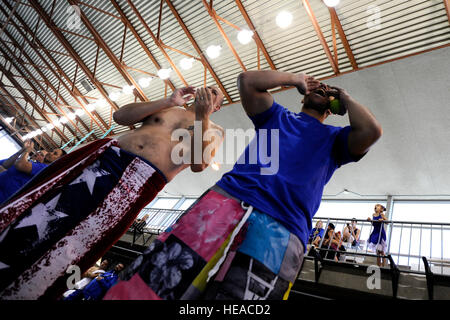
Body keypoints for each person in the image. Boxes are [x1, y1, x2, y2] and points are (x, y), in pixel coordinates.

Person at [104, 69, 382, 300]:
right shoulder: (277, 116)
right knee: (157, 279)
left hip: (283, 228)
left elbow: (371, 130)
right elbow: (247, 81)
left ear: (334, 108)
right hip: (227, 200)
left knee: (242, 298)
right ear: (303, 96)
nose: (322, 88)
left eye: (327, 91)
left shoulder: (336, 139)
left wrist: (344, 96)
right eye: (316, 87)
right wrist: (296, 79)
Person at [0, 86, 225, 300]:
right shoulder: (170, 107)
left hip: (139, 178)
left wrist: (202, 117)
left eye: (215, 93)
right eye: (208, 88)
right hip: (106, 157)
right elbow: (121, 117)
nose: (209, 91)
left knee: (78, 234)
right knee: (43, 208)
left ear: (218, 107)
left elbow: (199, 163)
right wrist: (169, 100)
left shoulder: (215, 129)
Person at [0, 141, 65, 205]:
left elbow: (20, 165)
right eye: (52, 151)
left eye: (55, 154)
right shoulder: (34, 164)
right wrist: (23, 150)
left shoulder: (45, 169)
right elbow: (5, 165)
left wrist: (27, 151)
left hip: (3, 195)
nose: (50, 153)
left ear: (59, 160)